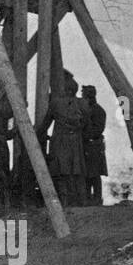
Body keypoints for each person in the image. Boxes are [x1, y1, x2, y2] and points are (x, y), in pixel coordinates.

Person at [38, 70, 88, 206]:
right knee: (76, 170)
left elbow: (46, 123)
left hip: (60, 141)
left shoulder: (55, 103)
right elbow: (86, 123)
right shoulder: (83, 103)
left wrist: (38, 135)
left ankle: (64, 201)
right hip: (76, 141)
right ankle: (80, 200)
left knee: (61, 170)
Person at [81, 85, 108, 205]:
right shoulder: (90, 109)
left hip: (93, 145)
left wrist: (82, 135)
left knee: (94, 174)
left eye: (84, 95)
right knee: (87, 173)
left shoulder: (98, 111)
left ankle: (96, 199)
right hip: (89, 145)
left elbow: (98, 130)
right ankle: (89, 198)